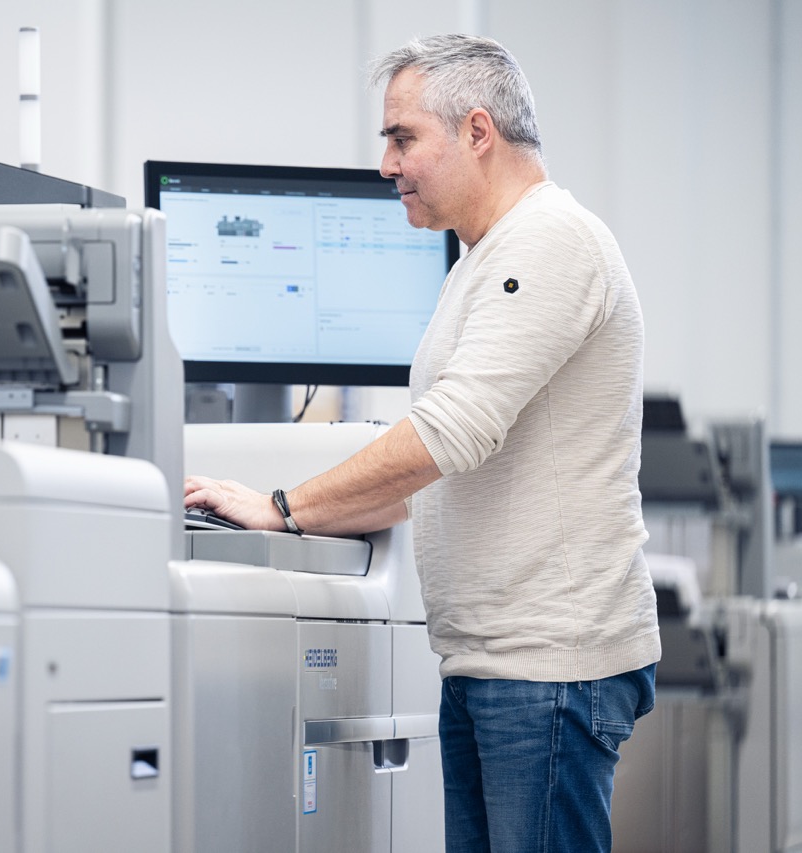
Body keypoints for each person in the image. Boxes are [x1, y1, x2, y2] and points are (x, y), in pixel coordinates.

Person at [183, 34, 661, 853]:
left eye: (403, 137)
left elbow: (453, 429)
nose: (386, 163)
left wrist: (282, 508)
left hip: (548, 663)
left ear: (478, 132)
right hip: (491, 660)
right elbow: (432, 473)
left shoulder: (551, 241)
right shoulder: (480, 260)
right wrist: (289, 519)